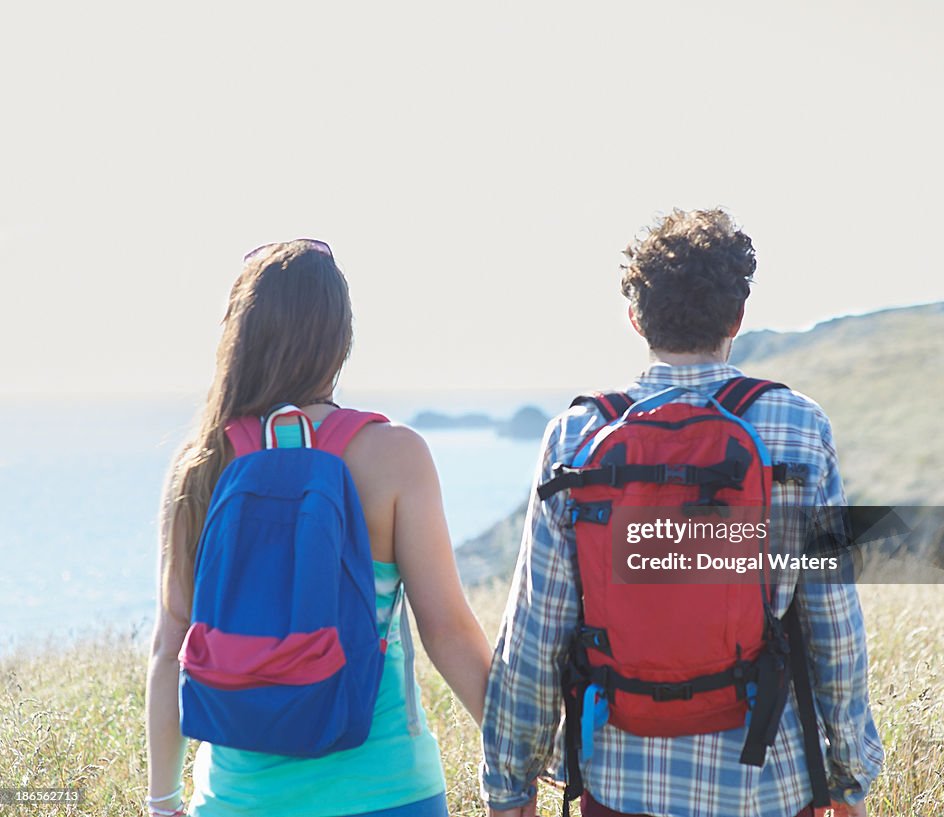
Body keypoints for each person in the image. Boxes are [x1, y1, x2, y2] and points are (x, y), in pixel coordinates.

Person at [479, 209, 883, 817]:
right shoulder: (797, 427)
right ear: (738, 317)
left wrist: (510, 787)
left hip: (618, 784)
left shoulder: (578, 436)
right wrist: (848, 776)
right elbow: (833, 623)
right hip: (764, 783)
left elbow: (537, 631)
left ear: (635, 318)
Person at [145, 239, 493, 817]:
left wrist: (162, 802)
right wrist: (516, 764)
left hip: (239, 799)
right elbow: (449, 632)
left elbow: (168, 648)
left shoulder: (202, 464)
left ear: (239, 335)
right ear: (341, 339)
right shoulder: (394, 456)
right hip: (389, 790)